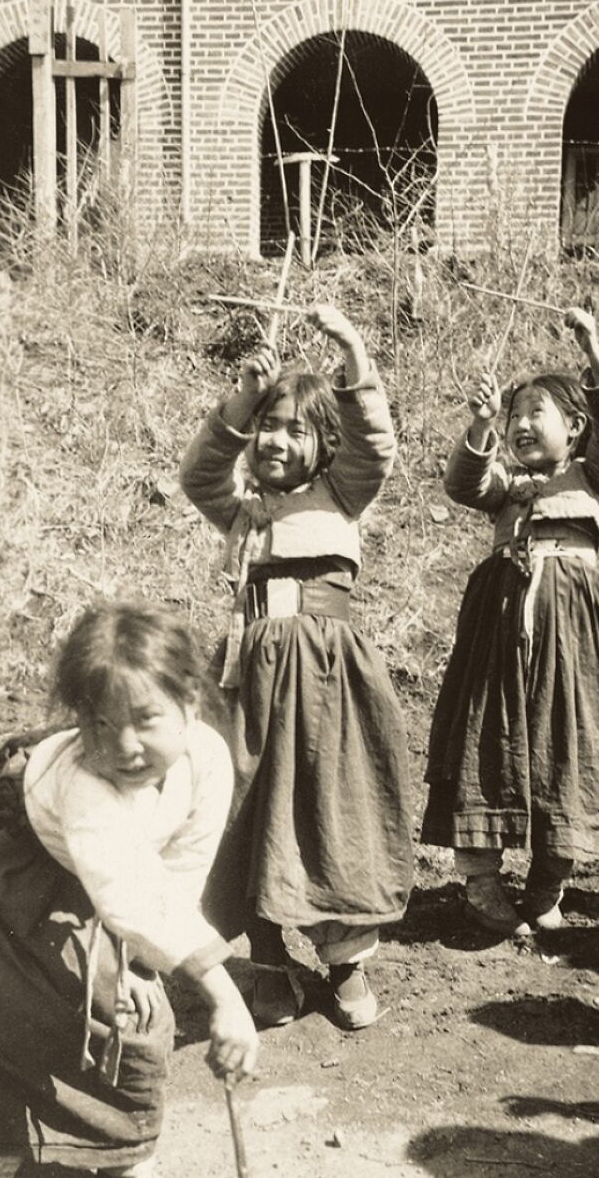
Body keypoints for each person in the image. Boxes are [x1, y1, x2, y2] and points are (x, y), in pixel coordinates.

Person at [180, 305, 413, 1030]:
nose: (276, 440)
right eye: (268, 427)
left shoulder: (341, 496)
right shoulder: (244, 513)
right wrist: (240, 403)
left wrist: (351, 353)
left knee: (325, 811)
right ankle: (271, 960)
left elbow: (374, 446)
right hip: (248, 683)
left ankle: (346, 962)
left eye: (295, 428)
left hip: (323, 685)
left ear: (325, 444)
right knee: (248, 814)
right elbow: (198, 474)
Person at [0, 601, 258, 1177]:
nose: (124, 746)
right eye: (100, 723)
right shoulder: (84, 781)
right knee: (7, 1037)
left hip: (103, 892)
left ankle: (120, 1159)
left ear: (190, 703)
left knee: (134, 1030)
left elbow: (176, 876)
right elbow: (124, 888)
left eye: (146, 719)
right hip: (7, 884)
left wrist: (143, 965)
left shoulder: (207, 758)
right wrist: (224, 996)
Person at [421, 306, 599, 937]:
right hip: (497, 631)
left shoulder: (594, 476)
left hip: (568, 632)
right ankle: (483, 883)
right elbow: (463, 483)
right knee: (483, 736)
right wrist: (481, 425)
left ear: (574, 426)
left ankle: (547, 888)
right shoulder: (507, 485)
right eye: (514, 416)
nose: (521, 425)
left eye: (532, 414)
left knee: (564, 742)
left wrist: (595, 355)